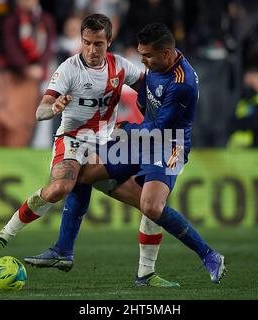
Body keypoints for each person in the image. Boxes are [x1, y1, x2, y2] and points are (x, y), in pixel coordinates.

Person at [0, 14, 176, 287]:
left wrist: (157, 110)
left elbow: (148, 90)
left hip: (106, 148)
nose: (91, 50)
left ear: (109, 42)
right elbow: (40, 111)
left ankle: (146, 273)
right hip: (72, 140)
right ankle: (1, 237)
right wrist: (55, 108)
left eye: (98, 44)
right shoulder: (68, 69)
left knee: (151, 205)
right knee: (61, 187)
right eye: (86, 43)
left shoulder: (121, 66)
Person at [25, 23, 227, 285]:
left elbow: (159, 128)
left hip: (168, 144)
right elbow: (146, 96)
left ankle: (209, 255)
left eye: (147, 56)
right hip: (142, 136)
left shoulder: (183, 84)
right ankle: (63, 250)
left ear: (166, 53)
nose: (142, 61)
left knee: (151, 206)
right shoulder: (157, 65)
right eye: (141, 55)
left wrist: (125, 128)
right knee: (82, 173)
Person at [227, 67, 258, 148]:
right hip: (241, 149)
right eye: (246, 84)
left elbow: (253, 122)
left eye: (251, 84)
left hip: (257, 148)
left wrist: (234, 122)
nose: (247, 87)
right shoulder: (243, 101)